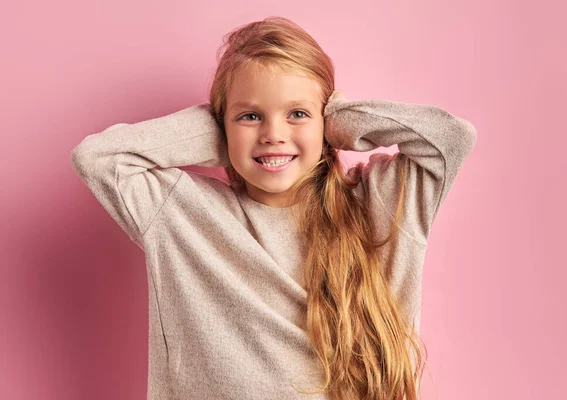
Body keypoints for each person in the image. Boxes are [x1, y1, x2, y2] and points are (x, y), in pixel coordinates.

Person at [70, 16, 476, 400]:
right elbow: (99, 159)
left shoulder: (381, 204)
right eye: (250, 116)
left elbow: (450, 139)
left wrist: (339, 122)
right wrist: (223, 135)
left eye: (297, 114)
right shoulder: (182, 213)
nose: (273, 134)